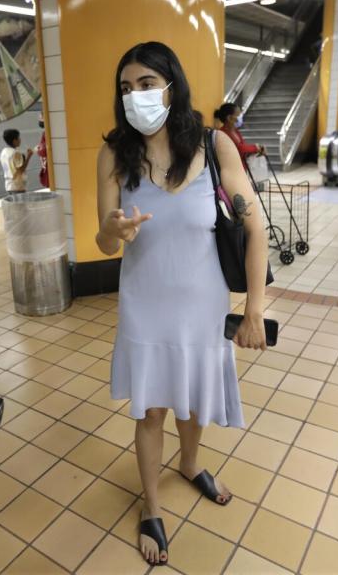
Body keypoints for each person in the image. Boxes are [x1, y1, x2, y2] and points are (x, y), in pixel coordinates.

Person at [96, 42, 268, 566]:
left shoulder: (215, 148)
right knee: (151, 410)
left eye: (146, 83)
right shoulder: (114, 154)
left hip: (204, 307)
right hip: (145, 307)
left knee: (192, 401)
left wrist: (255, 307)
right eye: (126, 89)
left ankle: (190, 464)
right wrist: (112, 230)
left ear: (172, 85)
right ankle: (151, 507)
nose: (136, 97)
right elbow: (105, 243)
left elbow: (255, 224)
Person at [215, 102, 265, 169]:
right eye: (238, 115)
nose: (240, 117)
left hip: (241, 169)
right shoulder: (222, 133)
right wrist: (255, 147)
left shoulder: (235, 131)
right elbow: (238, 149)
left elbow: (243, 149)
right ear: (229, 118)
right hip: (231, 170)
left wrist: (258, 150)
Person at [0, 128, 33, 194]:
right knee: (21, 204)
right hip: (17, 186)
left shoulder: (4, 152)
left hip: (9, 185)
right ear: (14, 140)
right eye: (18, 138)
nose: (20, 140)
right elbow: (21, 169)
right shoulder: (15, 153)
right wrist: (29, 156)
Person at [36, 113, 49, 188]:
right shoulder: (45, 133)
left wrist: (38, 149)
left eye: (41, 116)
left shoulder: (47, 133)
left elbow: (43, 150)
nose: (39, 118)